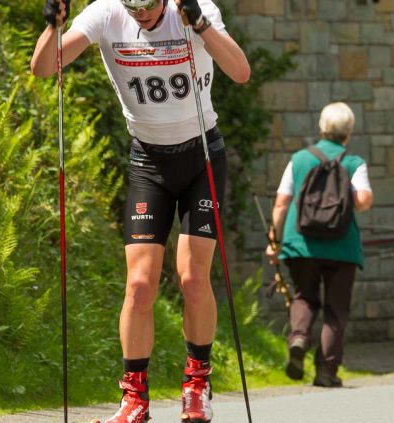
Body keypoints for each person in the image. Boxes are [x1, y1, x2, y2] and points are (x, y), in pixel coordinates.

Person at [30, 0, 251, 421]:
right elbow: (44, 68)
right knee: (139, 286)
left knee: (191, 276)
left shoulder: (196, 8)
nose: (142, 15)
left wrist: (201, 26)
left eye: (149, 6)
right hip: (149, 161)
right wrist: (52, 25)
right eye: (134, 8)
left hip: (201, 155)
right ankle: (134, 398)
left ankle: (197, 385)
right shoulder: (107, 13)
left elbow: (241, 72)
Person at [265, 102, 373, 388]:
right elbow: (363, 201)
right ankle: (326, 372)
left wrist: (274, 240)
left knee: (303, 296)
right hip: (342, 245)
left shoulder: (299, 159)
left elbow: (281, 203)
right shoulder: (354, 162)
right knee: (336, 309)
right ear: (348, 131)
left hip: (301, 243)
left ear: (321, 128)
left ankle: (299, 337)